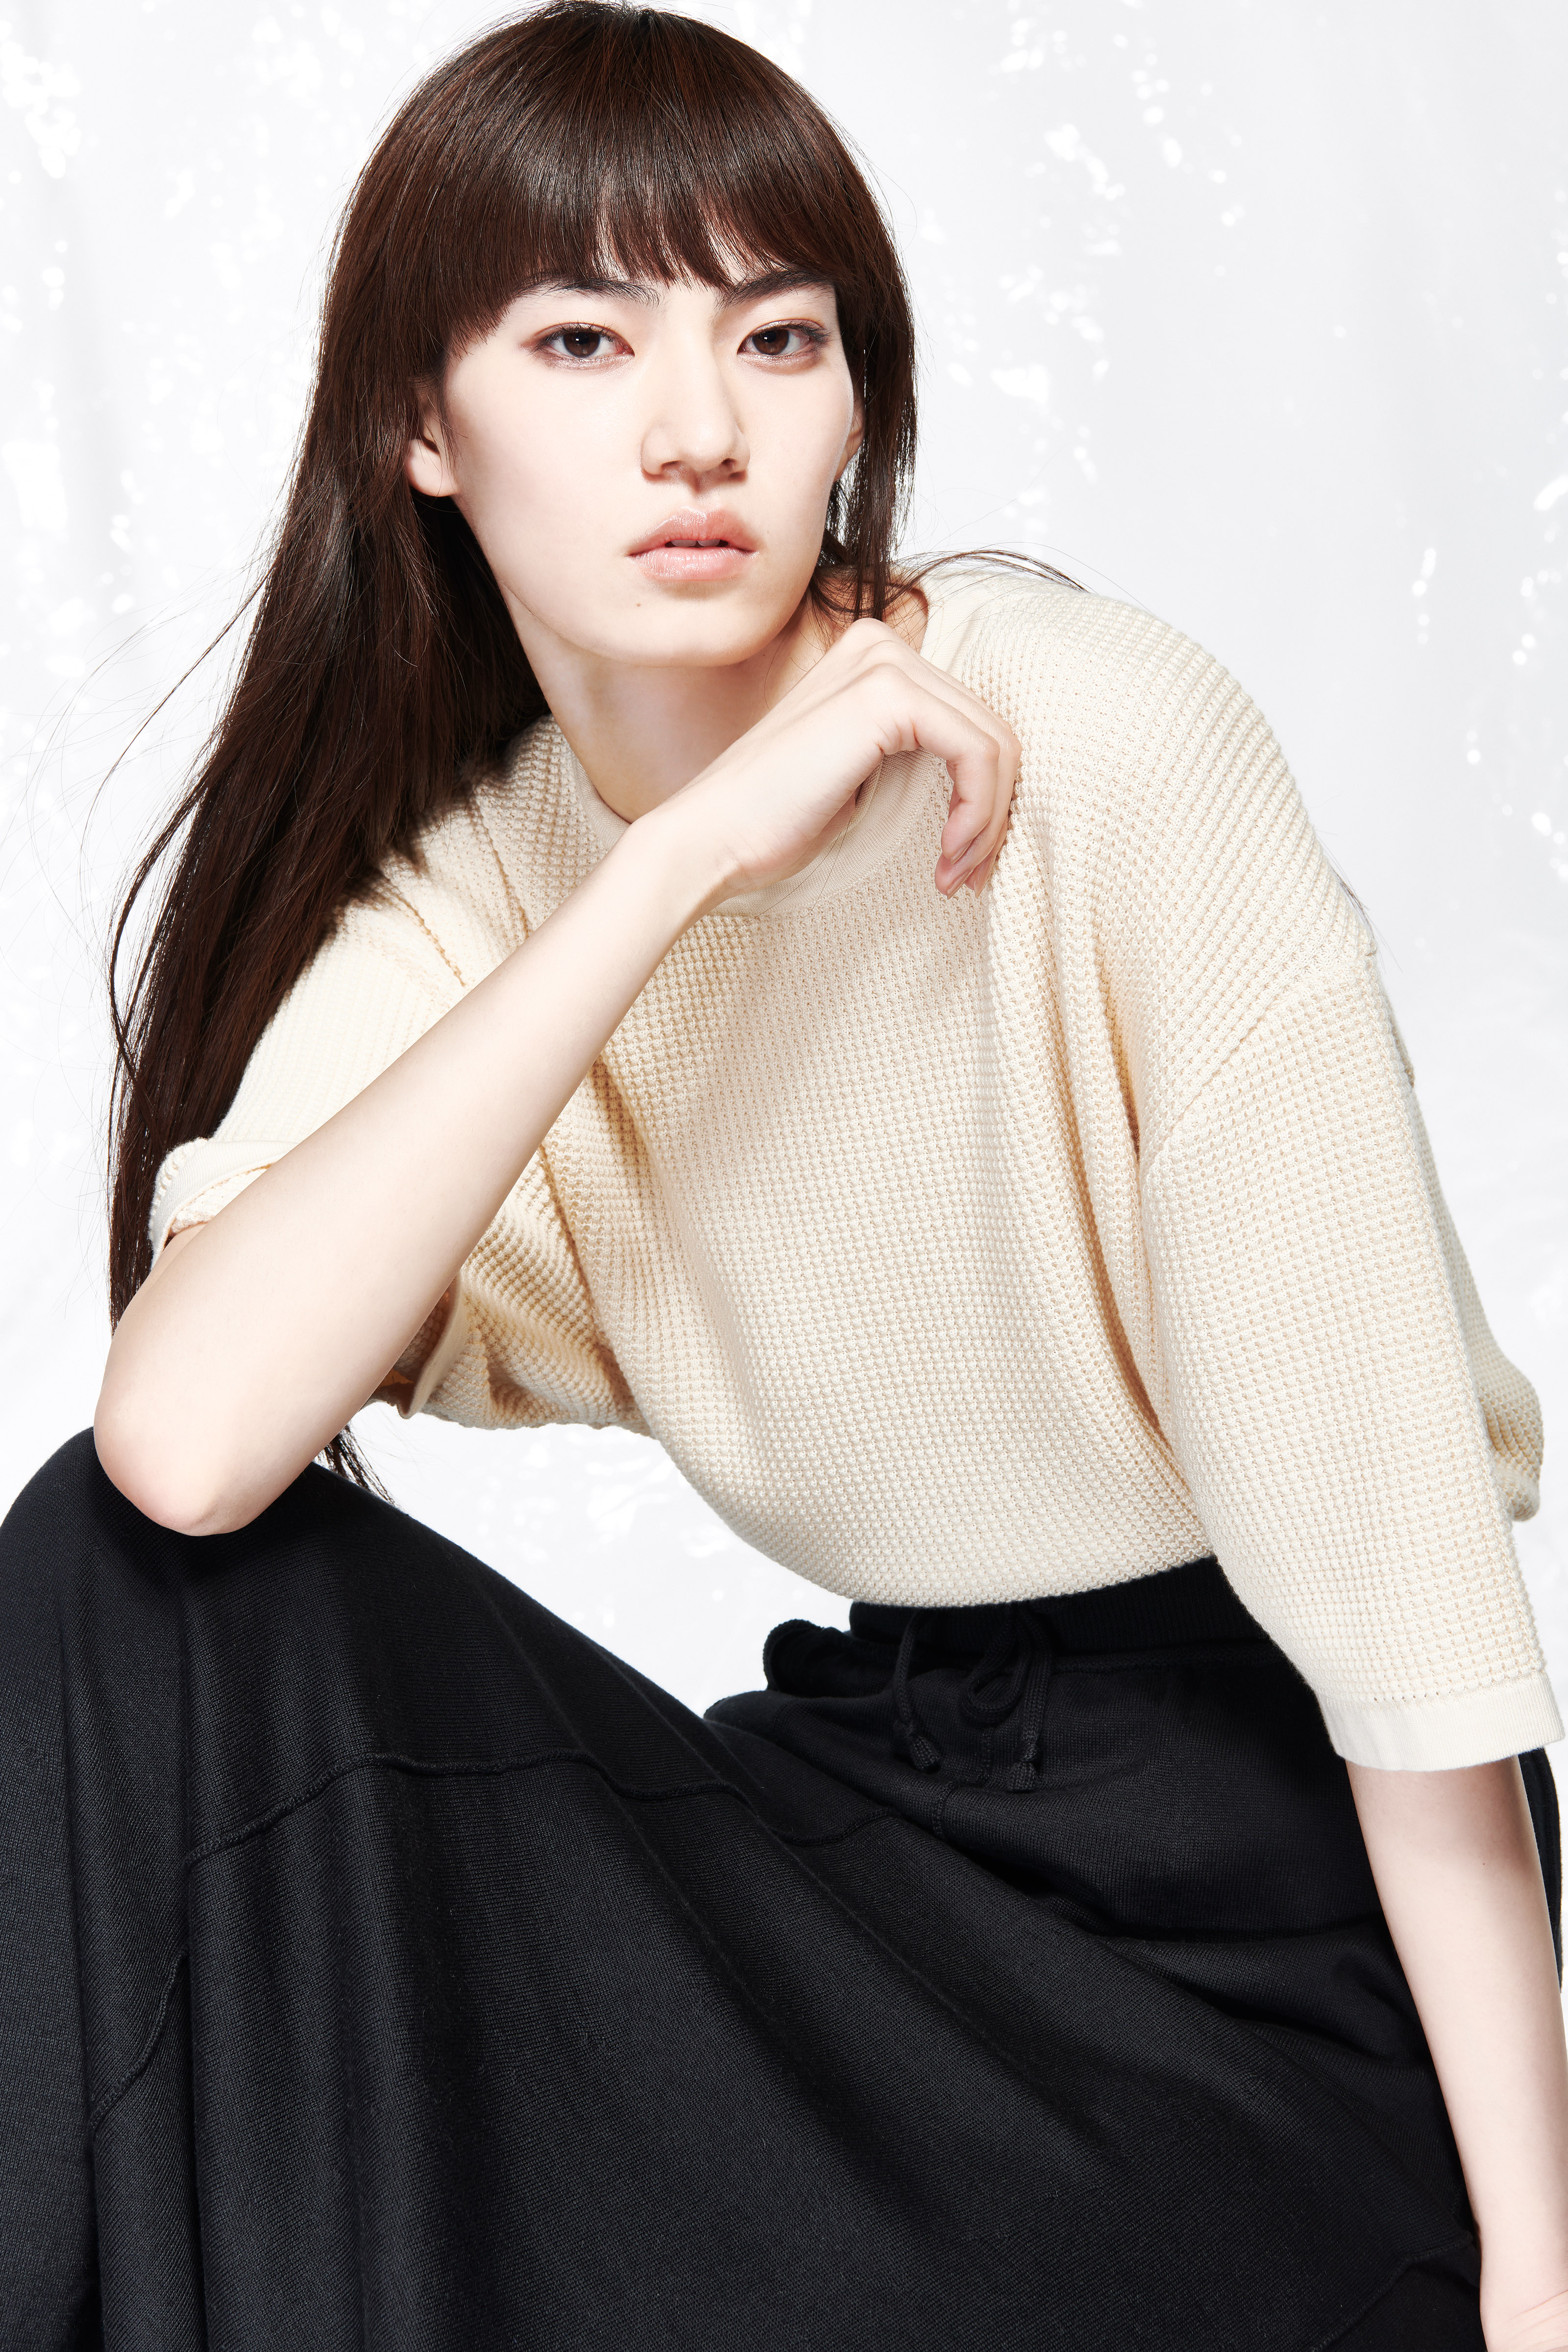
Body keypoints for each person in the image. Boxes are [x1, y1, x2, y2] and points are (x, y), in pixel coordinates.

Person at [1, 4, 1563, 2345]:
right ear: (420, 426)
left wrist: (1534, 2275)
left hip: (1248, 1958)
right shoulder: (486, 896)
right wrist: (671, 868)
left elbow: (1401, 1611)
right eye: (581, 338)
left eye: (776, 335)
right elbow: (185, 1447)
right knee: (126, 1599)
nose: (695, 430)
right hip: (888, 1844)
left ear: (856, 403)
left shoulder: (1104, 750)